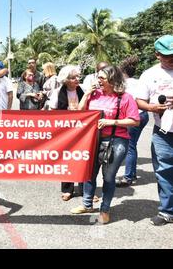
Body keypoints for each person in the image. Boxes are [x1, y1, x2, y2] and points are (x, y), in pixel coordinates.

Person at [71, 65, 140, 224]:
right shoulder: (94, 94)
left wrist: (111, 121)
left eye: (102, 78)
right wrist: (87, 94)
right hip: (93, 139)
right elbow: (80, 112)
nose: (98, 80)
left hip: (116, 140)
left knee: (108, 177)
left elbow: (135, 121)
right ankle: (87, 205)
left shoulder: (125, 98)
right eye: (98, 77)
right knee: (89, 173)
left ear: (112, 79)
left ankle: (105, 210)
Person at [136, 35, 173, 226]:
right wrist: (152, 108)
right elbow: (139, 101)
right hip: (163, 133)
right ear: (157, 54)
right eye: (168, 55)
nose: (172, 58)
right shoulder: (149, 75)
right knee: (165, 171)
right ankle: (167, 211)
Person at [47, 65, 85, 201]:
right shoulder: (57, 92)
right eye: (73, 77)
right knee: (67, 160)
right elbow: (52, 113)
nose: (77, 79)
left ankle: (85, 190)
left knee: (83, 159)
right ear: (66, 80)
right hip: (65, 133)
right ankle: (67, 189)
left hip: (83, 132)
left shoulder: (83, 91)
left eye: (78, 77)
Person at [115, 56, 149, 187]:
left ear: (123, 72)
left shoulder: (124, 85)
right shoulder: (139, 81)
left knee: (130, 146)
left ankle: (129, 177)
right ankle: (132, 174)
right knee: (132, 145)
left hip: (133, 117)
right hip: (143, 115)